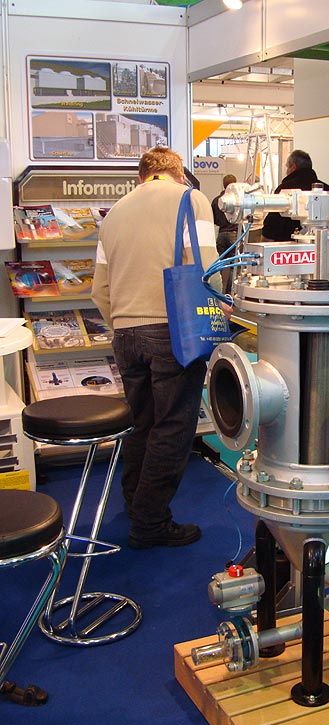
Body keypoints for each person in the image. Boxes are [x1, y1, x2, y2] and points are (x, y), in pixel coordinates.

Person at [92, 146, 222, 550]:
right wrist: (218, 305)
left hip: (125, 333)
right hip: (173, 330)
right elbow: (206, 267)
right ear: (178, 173)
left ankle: (135, 504)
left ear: (141, 176)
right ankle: (150, 522)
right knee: (174, 426)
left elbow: (99, 288)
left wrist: (123, 321)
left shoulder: (113, 213)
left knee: (140, 424)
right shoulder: (191, 199)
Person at [261, 149, 329, 242]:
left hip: (290, 248)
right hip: (324, 247)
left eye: (287, 167)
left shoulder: (285, 190)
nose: (286, 171)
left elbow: (271, 228)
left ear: (293, 167)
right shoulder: (327, 190)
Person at [211, 173, 238, 294]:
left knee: (220, 265)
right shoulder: (238, 201)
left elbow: (214, 219)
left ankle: (219, 291)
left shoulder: (216, 200)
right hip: (234, 234)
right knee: (234, 265)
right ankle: (230, 292)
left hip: (221, 234)